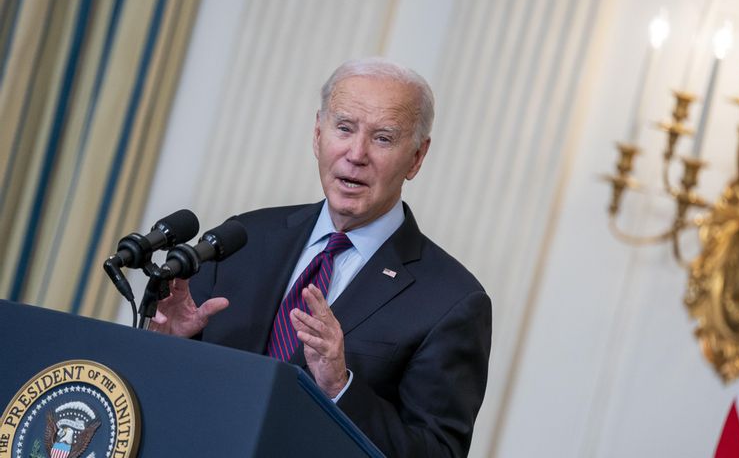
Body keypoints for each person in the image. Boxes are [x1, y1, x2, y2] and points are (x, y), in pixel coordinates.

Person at [150, 58, 492, 457]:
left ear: (416, 157)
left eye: (383, 138)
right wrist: (169, 347)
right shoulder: (242, 240)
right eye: (344, 128)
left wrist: (339, 387)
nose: (356, 153)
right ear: (317, 135)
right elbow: (181, 397)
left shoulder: (450, 302)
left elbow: (437, 453)